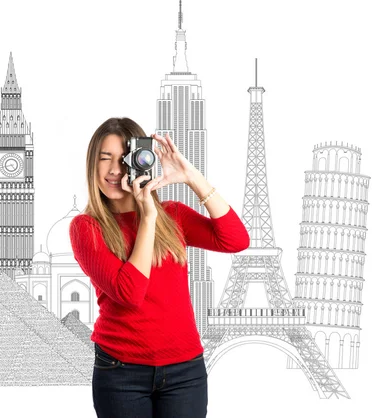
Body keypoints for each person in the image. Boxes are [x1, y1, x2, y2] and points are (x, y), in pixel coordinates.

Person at [69, 117, 250, 418]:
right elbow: (130, 293)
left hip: (185, 372)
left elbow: (236, 240)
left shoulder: (174, 215)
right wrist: (148, 216)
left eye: (124, 159)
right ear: (92, 165)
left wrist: (191, 177)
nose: (115, 170)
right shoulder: (86, 228)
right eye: (105, 159)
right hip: (121, 373)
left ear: (142, 161)